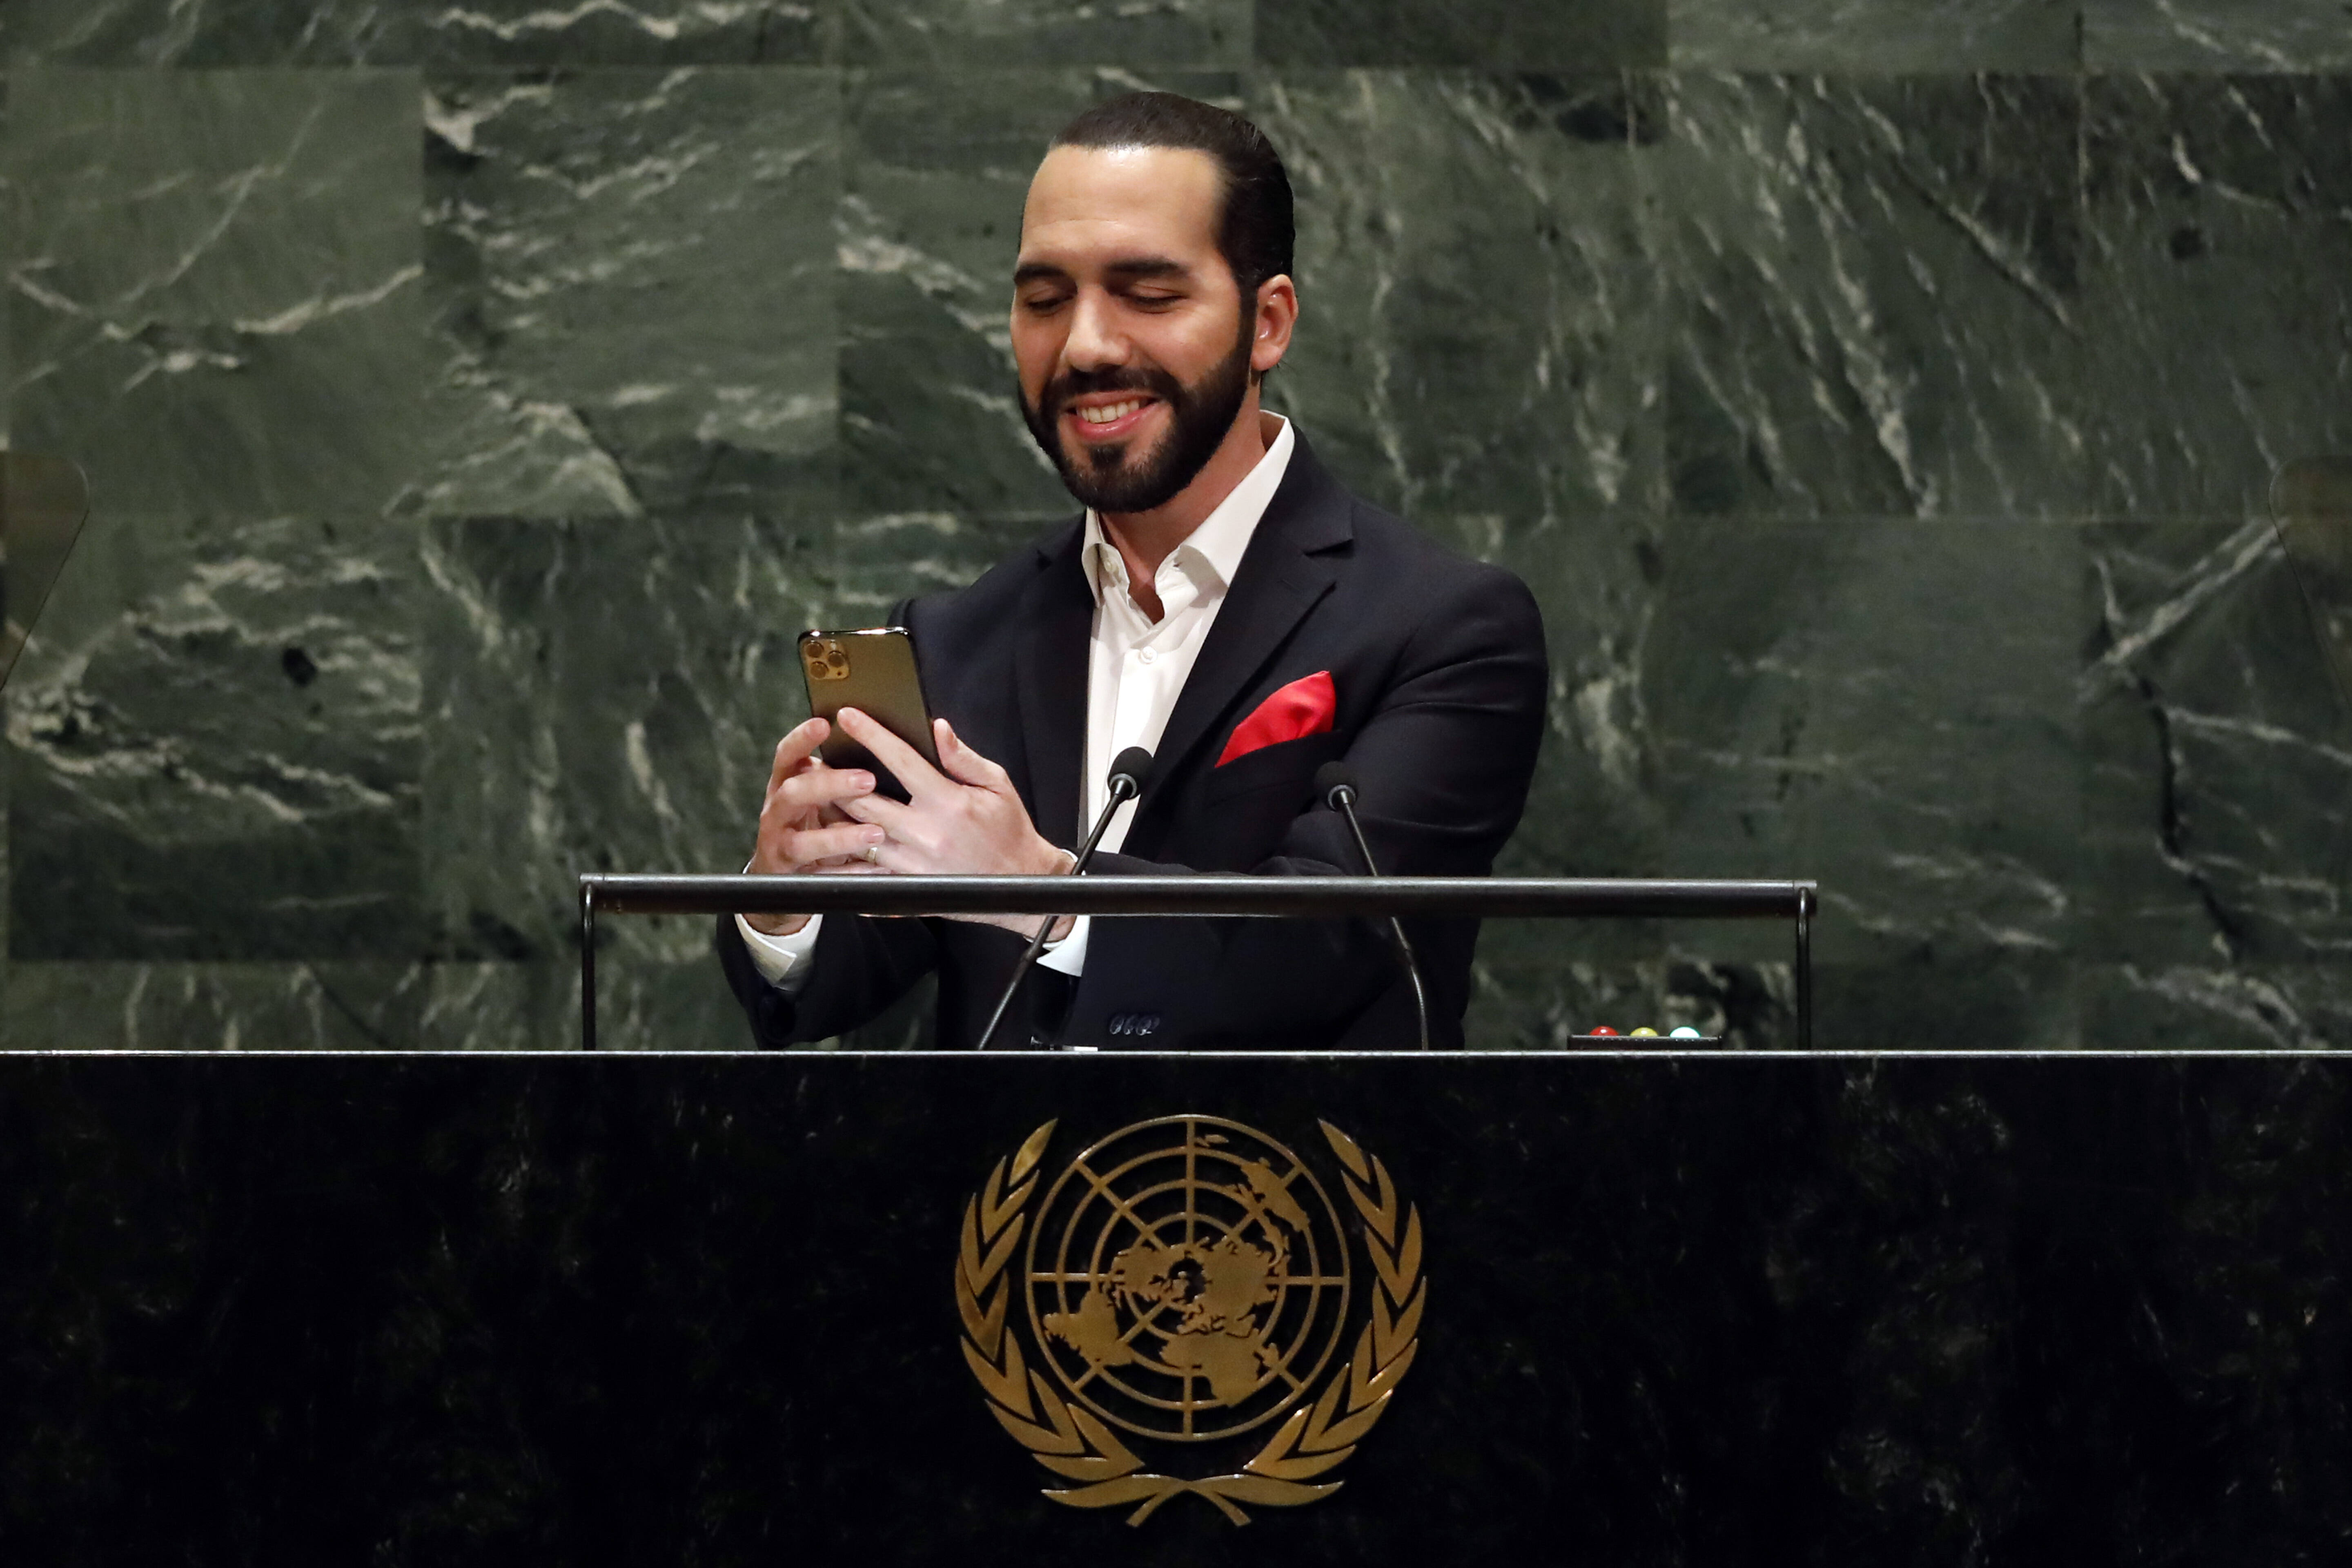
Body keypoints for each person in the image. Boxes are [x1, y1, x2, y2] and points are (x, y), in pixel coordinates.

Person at [716, 91, 1547, 1050]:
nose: (1086, 346)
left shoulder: (1444, 626)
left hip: (1306, 1190)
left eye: (1148, 295)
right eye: (1043, 300)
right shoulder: (955, 640)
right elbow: (839, 985)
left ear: (1268, 323)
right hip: (1002, 1199)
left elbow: (1335, 939)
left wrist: (1043, 898)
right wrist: (784, 904)